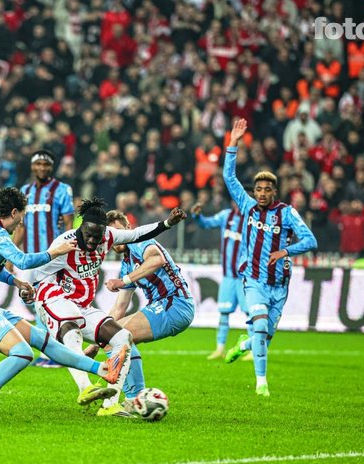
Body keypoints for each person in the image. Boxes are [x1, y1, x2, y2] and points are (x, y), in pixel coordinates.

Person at [0, 187, 128, 424]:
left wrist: (15, 281)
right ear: (14, 212)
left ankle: (102, 369)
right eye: (22, 216)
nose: (21, 222)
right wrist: (55, 252)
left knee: (43, 340)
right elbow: (23, 261)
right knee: (23, 353)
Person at [28, 198, 187, 416]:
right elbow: (35, 272)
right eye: (88, 235)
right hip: (53, 298)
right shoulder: (64, 243)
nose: (92, 241)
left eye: (97, 236)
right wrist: (25, 289)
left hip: (82, 305)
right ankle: (85, 388)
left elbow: (138, 233)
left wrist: (167, 223)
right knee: (71, 326)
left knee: (122, 337)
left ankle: (110, 404)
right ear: (80, 228)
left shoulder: (109, 236)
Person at [222, 118, 317, 397]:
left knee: (263, 336)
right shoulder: (248, 207)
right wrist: (233, 143)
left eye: (267, 190)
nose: (262, 194)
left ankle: (244, 344)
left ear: (274, 191)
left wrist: (285, 251)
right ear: (254, 192)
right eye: (258, 190)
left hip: (280, 284)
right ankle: (261, 384)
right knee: (261, 326)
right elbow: (229, 178)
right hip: (254, 280)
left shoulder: (287, 213)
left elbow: (311, 240)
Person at [103, 210, 195, 416]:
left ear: (128, 229)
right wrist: (94, 343)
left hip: (175, 303)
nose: (115, 238)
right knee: (111, 335)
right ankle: (134, 398)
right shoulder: (127, 263)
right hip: (165, 305)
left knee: (117, 335)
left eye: (118, 231)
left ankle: (132, 398)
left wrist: (123, 281)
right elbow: (119, 307)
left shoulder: (139, 241)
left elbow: (156, 260)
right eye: (110, 234)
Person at [11, 149, 75, 368]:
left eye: (46, 164)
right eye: (38, 164)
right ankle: (55, 350)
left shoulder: (62, 190)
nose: (42, 168)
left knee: (44, 303)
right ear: (32, 166)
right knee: (32, 301)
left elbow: (69, 224)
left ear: (52, 167)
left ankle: (53, 353)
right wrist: (10, 255)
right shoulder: (25, 191)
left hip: (52, 258)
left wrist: (67, 253)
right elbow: (21, 227)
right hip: (30, 258)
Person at [190, 201, 254, 360]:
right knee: (224, 312)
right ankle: (220, 348)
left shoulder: (254, 220)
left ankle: (254, 350)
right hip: (228, 276)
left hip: (246, 277)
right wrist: (197, 216)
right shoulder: (226, 216)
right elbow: (206, 223)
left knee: (251, 313)